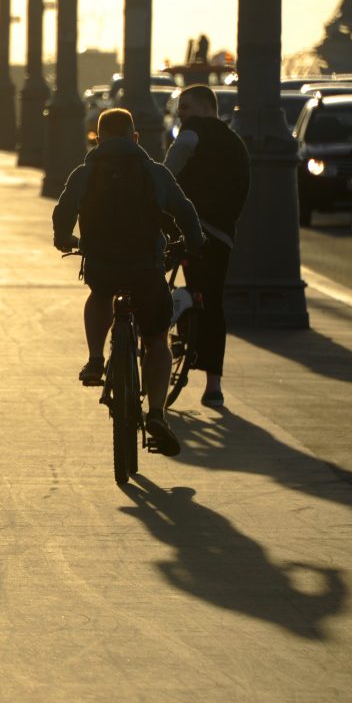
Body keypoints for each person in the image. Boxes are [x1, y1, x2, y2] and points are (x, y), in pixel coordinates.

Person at [52, 108, 205, 456]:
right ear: (135, 138)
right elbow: (185, 210)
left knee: (99, 294)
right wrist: (195, 243)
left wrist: (63, 236)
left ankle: (94, 359)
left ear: (99, 138)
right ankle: (156, 413)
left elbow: (64, 208)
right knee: (156, 340)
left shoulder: (86, 172)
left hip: (102, 265)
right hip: (145, 268)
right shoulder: (155, 172)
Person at [164, 84, 250, 408]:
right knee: (212, 303)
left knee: (152, 277)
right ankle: (213, 385)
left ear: (202, 108)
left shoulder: (190, 134)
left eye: (184, 107)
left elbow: (166, 176)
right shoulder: (236, 143)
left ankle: (170, 317)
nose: (180, 114)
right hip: (222, 236)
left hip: (185, 227)